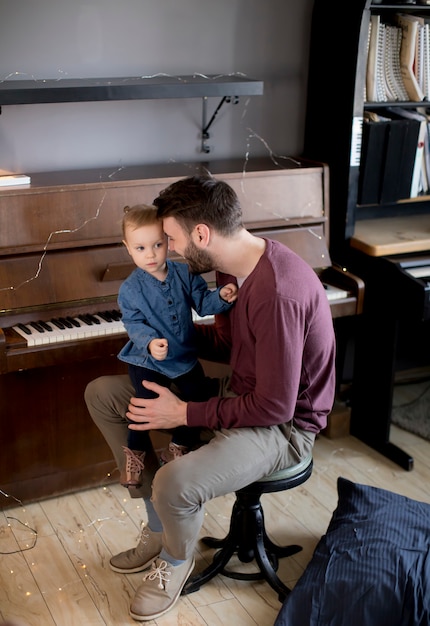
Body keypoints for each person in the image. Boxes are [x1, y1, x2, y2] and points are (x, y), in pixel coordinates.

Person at [84, 174, 336, 622]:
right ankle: (160, 528)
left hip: (282, 426)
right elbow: (229, 347)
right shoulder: (231, 268)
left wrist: (183, 411)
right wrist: (166, 333)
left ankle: (176, 561)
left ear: (201, 233)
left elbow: (275, 407)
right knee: (104, 394)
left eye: (173, 238)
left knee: (173, 483)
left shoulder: (276, 291)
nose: (171, 249)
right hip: (243, 392)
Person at [117, 204, 238, 487]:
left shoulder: (184, 273)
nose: (150, 254)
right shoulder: (130, 289)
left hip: (183, 357)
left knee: (194, 398)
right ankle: (135, 454)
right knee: (144, 404)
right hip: (146, 359)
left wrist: (221, 296)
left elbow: (204, 303)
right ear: (127, 248)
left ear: (168, 241)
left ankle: (179, 448)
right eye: (140, 248)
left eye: (157, 245)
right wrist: (149, 343)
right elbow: (133, 325)